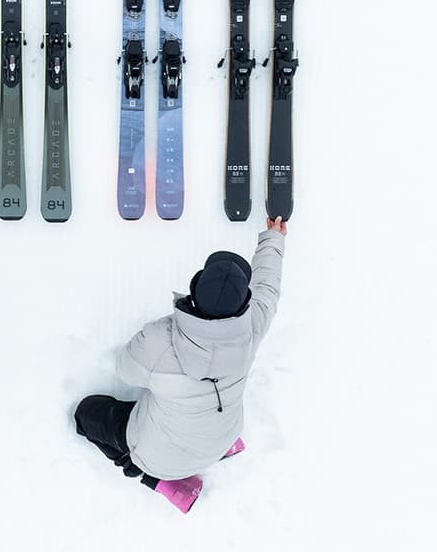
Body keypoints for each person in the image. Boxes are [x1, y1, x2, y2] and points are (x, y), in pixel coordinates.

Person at [73, 217, 287, 512]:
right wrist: (274, 237)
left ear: (195, 289)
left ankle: (156, 480)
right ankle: (220, 451)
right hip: (224, 436)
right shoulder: (253, 326)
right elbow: (268, 286)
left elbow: (125, 370)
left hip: (161, 459)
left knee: (86, 414)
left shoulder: (159, 340)